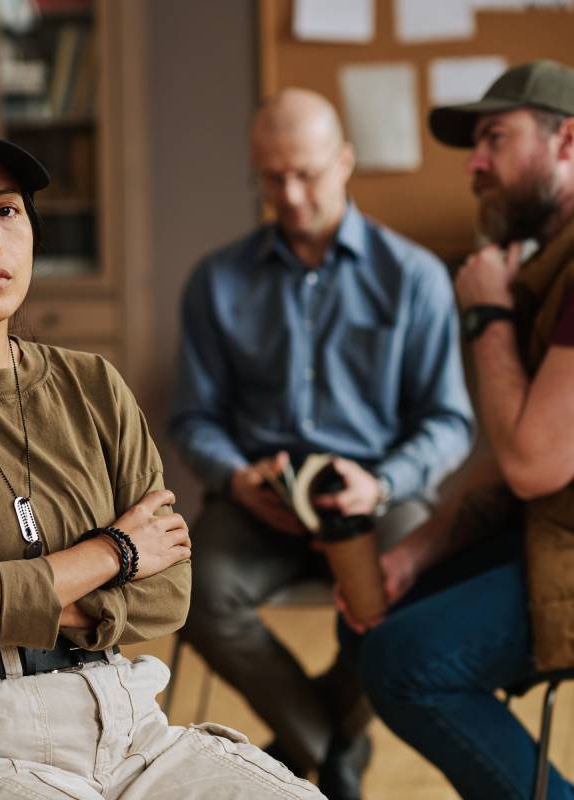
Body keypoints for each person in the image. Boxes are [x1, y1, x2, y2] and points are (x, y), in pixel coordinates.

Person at [0, 121, 322, 799]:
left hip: (125, 723)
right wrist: (116, 551)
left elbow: (170, 594)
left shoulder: (94, 386)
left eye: (5, 210)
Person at [169, 88, 475, 798]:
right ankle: (331, 747)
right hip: (258, 499)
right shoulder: (215, 282)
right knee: (186, 592)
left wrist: (383, 483)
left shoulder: (416, 278)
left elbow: (449, 421)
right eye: (272, 178)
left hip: (374, 494)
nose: (291, 194)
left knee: (408, 593)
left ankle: (302, 750)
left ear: (345, 161)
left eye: (306, 172)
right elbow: (195, 417)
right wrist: (238, 476)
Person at [344, 59, 574, 800]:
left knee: (406, 662)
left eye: (495, 139)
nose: (474, 165)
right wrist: (415, 552)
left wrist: (486, 315)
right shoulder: (549, 266)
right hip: (553, 527)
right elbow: (518, 459)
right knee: (372, 618)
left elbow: (533, 462)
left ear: (566, 142)